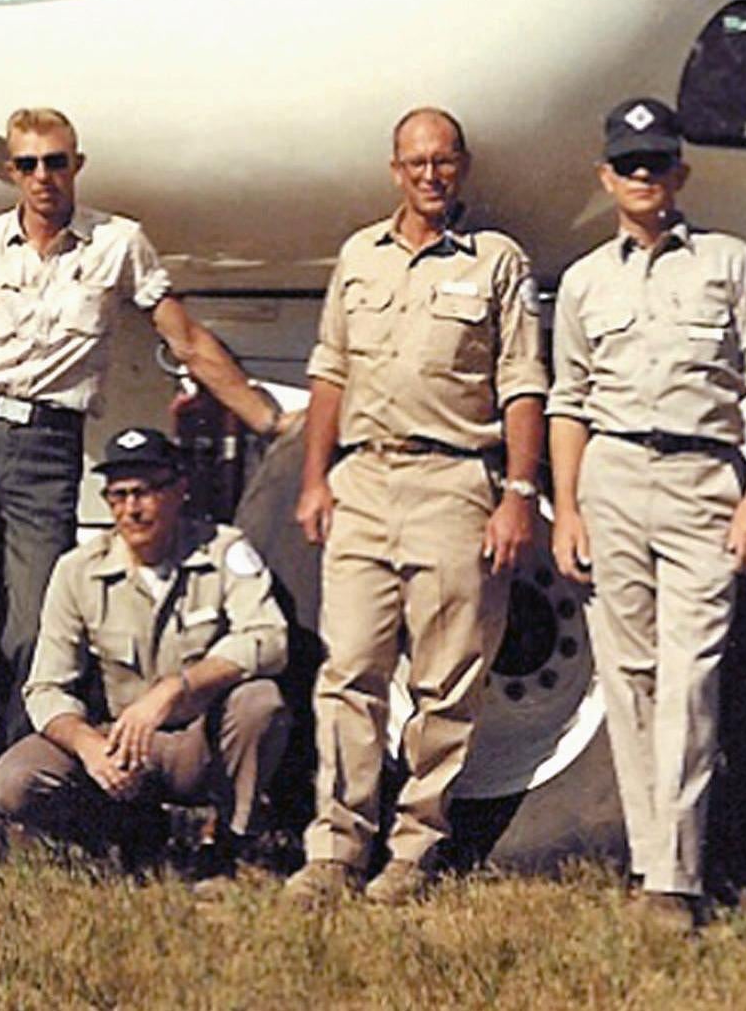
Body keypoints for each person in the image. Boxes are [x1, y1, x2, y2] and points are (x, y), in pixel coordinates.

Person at [0, 106, 285, 862]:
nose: (43, 178)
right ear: (9, 172)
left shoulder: (117, 243)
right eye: (27, 165)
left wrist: (265, 416)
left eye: (56, 162)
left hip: (47, 445)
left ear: (77, 165)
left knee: (29, 630)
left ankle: (48, 784)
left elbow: (182, 338)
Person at [283, 108, 548, 907]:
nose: (430, 174)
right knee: (348, 672)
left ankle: (414, 847)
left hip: (453, 485)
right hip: (363, 485)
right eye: (415, 162)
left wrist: (518, 495)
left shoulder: (495, 261)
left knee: (444, 681)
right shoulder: (359, 258)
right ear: (394, 170)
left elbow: (522, 385)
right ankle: (333, 848)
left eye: (443, 161)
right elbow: (329, 370)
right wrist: (313, 477)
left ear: (461, 167)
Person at [546, 97, 746, 932]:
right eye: (629, 165)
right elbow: (567, 402)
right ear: (606, 178)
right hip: (611, 481)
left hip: (701, 483)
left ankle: (677, 877)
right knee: (629, 679)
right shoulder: (585, 281)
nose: (643, 177)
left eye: (658, 163)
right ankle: (651, 860)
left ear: (680, 174)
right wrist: (566, 510)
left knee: (690, 678)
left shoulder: (728, 264)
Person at [0, 426, 289, 880]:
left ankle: (229, 842)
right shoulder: (78, 571)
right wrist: (89, 746)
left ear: (179, 490)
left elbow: (270, 637)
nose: (131, 509)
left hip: (197, 741)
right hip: (121, 745)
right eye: (119, 495)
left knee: (260, 702)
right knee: (15, 780)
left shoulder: (223, 550)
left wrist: (179, 687)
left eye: (146, 492)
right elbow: (46, 686)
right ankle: (126, 832)